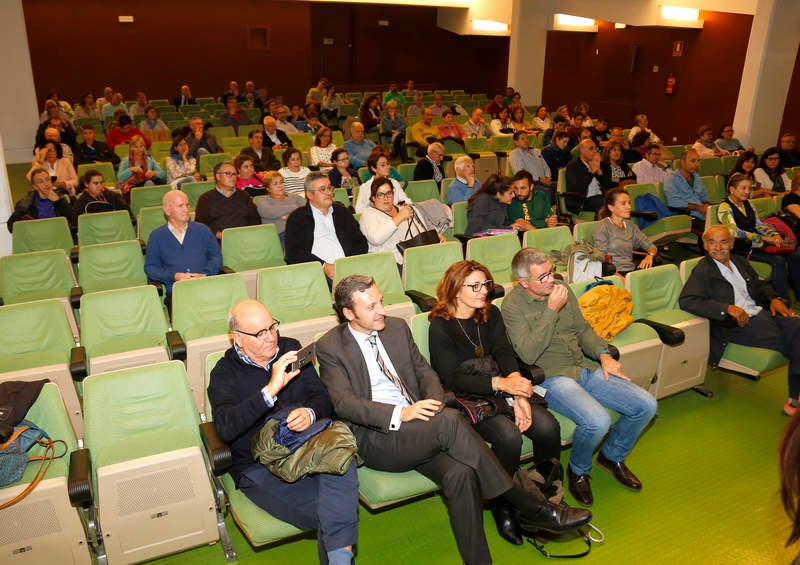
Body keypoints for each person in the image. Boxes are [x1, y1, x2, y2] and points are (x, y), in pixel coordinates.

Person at [317, 275, 591, 564]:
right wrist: (403, 413)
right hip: (378, 437)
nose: (381, 311)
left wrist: (432, 404)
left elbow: (425, 373)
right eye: (371, 307)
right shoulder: (330, 346)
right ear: (348, 313)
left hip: (424, 426)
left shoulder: (396, 328)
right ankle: (535, 508)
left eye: (381, 301)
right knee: (450, 421)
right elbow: (343, 403)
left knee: (461, 475)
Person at [502, 247, 658, 506]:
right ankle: (579, 470)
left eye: (551, 272)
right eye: (542, 278)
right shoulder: (512, 306)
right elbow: (528, 354)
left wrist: (604, 355)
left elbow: (583, 329)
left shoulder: (562, 288)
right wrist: (551, 310)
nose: (551, 280)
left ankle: (612, 456)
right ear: (523, 282)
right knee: (597, 421)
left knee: (645, 405)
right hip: (552, 376)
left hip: (583, 365)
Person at [208, 299, 358, 565]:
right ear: (238, 338)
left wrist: (310, 413)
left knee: (341, 462)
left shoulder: (290, 348)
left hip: (311, 444)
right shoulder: (224, 374)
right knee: (334, 513)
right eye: (260, 333)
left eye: (272, 327)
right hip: (259, 465)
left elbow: (322, 397)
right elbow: (226, 428)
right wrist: (269, 391)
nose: (271, 338)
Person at [428, 260, 562, 545]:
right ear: (454, 289)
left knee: (549, 427)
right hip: (470, 397)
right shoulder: (440, 325)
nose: (483, 291)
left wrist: (518, 391)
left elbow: (504, 352)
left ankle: (543, 497)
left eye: (485, 284)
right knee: (509, 436)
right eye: (474, 286)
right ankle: (503, 503)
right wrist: (503, 385)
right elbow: (451, 378)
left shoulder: (492, 313)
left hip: (503, 390)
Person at [679, 225, 800, 416]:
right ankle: (794, 400)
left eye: (723, 241)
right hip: (736, 325)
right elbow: (688, 300)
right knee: (795, 340)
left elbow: (759, 287)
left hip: (760, 313)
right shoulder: (703, 270)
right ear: (704, 245)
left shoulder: (740, 262)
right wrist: (726, 307)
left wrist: (774, 299)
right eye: (712, 242)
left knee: (796, 328)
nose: (717, 247)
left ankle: (795, 398)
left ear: (732, 244)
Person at [717, 173, 800, 301]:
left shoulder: (748, 204)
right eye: (743, 188)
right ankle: (783, 301)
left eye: (749, 188)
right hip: (741, 248)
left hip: (757, 244)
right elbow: (734, 231)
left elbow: (759, 225)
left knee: (794, 256)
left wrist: (774, 234)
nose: (747, 192)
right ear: (732, 189)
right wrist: (764, 238)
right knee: (778, 260)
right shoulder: (724, 207)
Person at [284, 172, 368, 280]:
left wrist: (349, 262)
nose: (328, 192)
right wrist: (323, 266)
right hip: (317, 273)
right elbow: (293, 252)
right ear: (309, 195)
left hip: (349, 268)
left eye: (329, 188)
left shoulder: (342, 212)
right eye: (322, 189)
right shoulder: (297, 218)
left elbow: (360, 241)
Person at [144, 190, 221, 296]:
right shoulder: (156, 236)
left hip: (205, 287)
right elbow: (151, 268)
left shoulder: (202, 230)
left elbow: (216, 257)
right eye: (180, 206)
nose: (186, 209)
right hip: (177, 293)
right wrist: (174, 276)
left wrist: (205, 274)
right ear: (167, 210)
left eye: (187, 205)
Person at [359, 176, 443, 266]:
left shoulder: (404, 209)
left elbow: (420, 231)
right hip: (390, 264)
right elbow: (376, 239)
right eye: (380, 194)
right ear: (373, 198)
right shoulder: (368, 215)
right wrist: (399, 218)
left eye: (389, 193)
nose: (386, 198)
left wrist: (435, 237)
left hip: (415, 257)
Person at [593, 188, 657, 275]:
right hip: (612, 273)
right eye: (623, 204)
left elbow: (651, 246)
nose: (629, 207)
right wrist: (620, 279)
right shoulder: (603, 226)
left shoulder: (631, 226)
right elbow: (600, 258)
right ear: (611, 207)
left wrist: (650, 256)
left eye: (629, 203)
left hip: (631, 271)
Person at [195, 161, 260, 240]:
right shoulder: (205, 199)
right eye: (228, 173)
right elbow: (201, 224)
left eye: (234, 174)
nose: (232, 177)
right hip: (219, 241)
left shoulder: (244, 195)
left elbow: (255, 219)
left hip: (244, 239)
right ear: (218, 176)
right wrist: (218, 234)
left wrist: (247, 233)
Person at [7, 167, 73, 232]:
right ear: (35, 186)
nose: (46, 184)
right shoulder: (26, 203)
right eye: (41, 182)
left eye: (47, 179)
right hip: (38, 239)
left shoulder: (61, 197)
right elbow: (11, 226)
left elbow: (74, 221)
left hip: (60, 237)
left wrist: (58, 201)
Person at [664, 149, 710, 232]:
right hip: (686, 216)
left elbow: (704, 196)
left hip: (702, 214)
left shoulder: (696, 177)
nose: (697, 164)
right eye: (693, 161)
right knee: (710, 231)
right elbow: (673, 202)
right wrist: (698, 207)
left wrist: (706, 206)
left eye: (698, 161)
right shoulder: (672, 178)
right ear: (682, 161)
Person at [355, 149, 411, 214]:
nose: (387, 167)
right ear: (374, 168)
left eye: (387, 164)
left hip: (395, 215)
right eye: (383, 165)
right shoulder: (365, 187)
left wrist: (396, 209)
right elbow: (359, 210)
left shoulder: (394, 183)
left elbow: (407, 202)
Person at [256, 170, 305, 244]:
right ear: (268, 188)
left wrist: (288, 216)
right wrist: (294, 207)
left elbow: (307, 211)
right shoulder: (263, 200)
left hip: (300, 231)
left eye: (281, 182)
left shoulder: (295, 197)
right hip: (278, 236)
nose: (280, 186)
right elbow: (268, 211)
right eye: (275, 184)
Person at [564, 139, 605, 216]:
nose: (595, 151)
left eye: (595, 148)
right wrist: (591, 173)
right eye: (591, 148)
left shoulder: (595, 162)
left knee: (617, 199)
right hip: (582, 200)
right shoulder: (573, 166)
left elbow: (607, 186)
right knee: (602, 203)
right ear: (582, 150)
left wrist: (599, 172)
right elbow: (578, 188)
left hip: (599, 196)